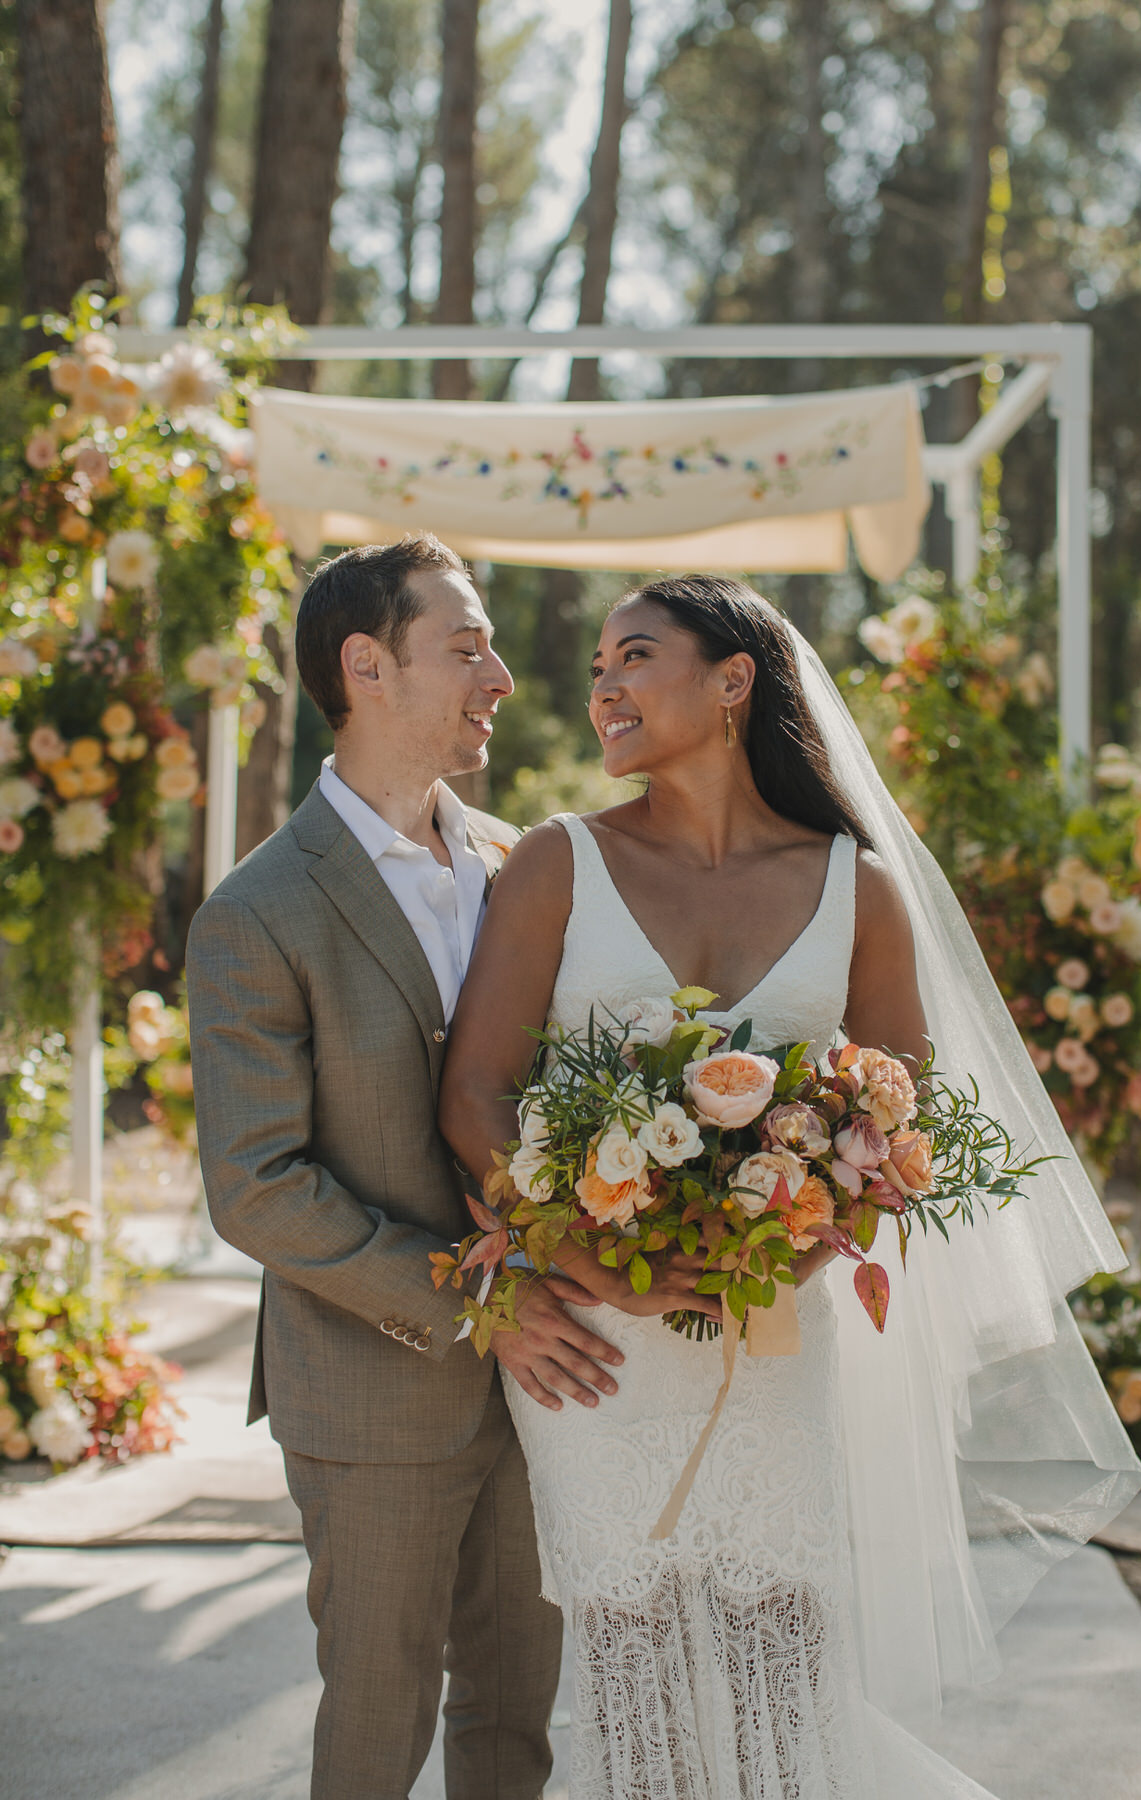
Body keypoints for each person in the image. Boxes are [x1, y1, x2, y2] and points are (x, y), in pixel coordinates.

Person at [440, 574, 1141, 1799]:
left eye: (635, 656)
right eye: (598, 663)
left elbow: (897, 1129)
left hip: (771, 1330)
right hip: (594, 1345)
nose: (602, 684)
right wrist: (585, 1260)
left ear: (732, 682)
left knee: (780, 1654)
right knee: (634, 1658)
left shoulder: (857, 890)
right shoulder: (558, 862)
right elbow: (476, 1096)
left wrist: (795, 1243)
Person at [186, 534, 635, 1800]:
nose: (500, 672)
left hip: (551, 1388)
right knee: (379, 1734)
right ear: (366, 664)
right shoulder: (254, 916)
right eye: (468, 643)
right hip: (375, 1396)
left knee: (517, 1726)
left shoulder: (526, 864)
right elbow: (258, 1185)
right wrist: (486, 1306)